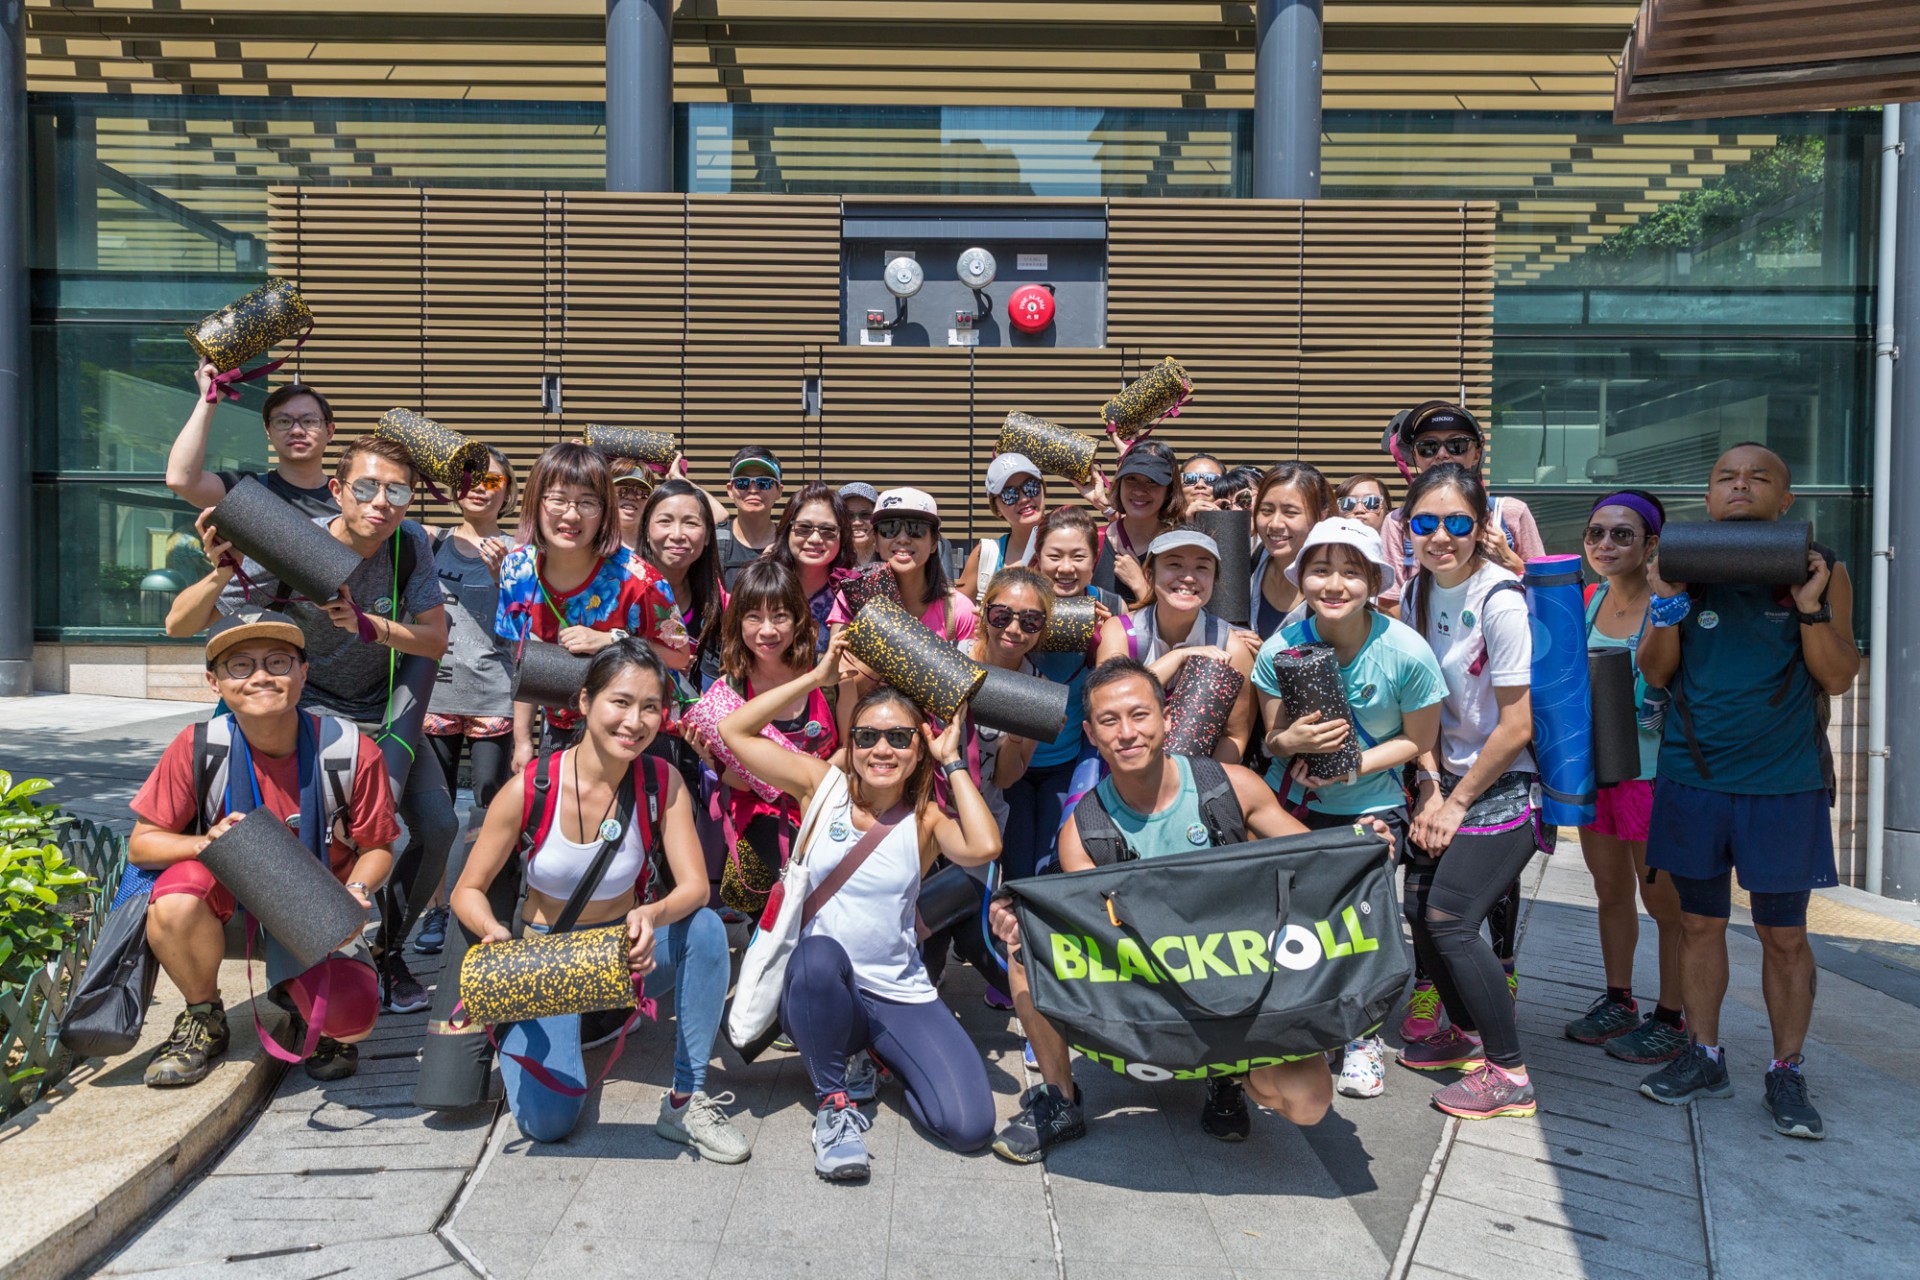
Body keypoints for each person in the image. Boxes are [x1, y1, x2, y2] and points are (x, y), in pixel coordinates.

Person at [990, 658, 1354, 1161]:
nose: (1127, 732)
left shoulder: (1230, 787)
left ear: (1165, 718)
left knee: (1308, 1101)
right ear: (1091, 734)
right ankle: (1061, 1100)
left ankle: (1229, 1074)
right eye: (1109, 721)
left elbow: (1316, 862)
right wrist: (1020, 919)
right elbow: (1088, 928)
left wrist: (1364, 845)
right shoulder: (1085, 831)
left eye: (1139, 715)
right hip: (1151, 987)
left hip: (1240, 981)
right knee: (1026, 948)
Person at [166, 435, 453, 1016]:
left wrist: (369, 625)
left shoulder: (409, 546)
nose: (381, 503)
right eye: (367, 488)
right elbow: (179, 624)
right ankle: (308, 960)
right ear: (338, 490)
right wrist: (222, 572)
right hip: (310, 711)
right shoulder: (296, 544)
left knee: (439, 826)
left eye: (397, 492)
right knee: (327, 832)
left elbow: (435, 638)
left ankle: (387, 950)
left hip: (385, 709)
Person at [1635, 443, 1860, 1140]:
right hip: (1693, 779)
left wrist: (1810, 608)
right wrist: (1666, 604)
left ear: (1785, 501)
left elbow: (1838, 676)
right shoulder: (1684, 566)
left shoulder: (1819, 568)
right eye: (1726, 477)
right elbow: (1656, 673)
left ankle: (1786, 1069)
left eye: (1758, 477)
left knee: (1784, 935)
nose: (1741, 485)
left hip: (1783, 784)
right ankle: (1704, 1056)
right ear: (1708, 498)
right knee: (1698, 924)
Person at [718, 634, 1002, 1181]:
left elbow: (985, 847)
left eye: (900, 737)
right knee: (819, 956)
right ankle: (834, 1104)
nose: (882, 749)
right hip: (820, 986)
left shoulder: (925, 819)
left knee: (969, 1127)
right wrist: (816, 678)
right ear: (851, 744)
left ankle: (875, 1055)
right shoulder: (820, 786)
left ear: (918, 748)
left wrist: (952, 762)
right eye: (867, 736)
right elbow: (734, 731)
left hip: (898, 992)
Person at [452, 640, 748, 1158]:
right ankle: (553, 1032)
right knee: (548, 1125)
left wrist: (651, 913)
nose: (635, 722)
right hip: (551, 962)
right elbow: (467, 890)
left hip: (623, 957)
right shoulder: (532, 788)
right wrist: (493, 932)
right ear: (585, 702)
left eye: (650, 707)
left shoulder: (661, 782)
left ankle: (685, 1100)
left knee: (703, 929)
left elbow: (695, 888)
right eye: (621, 702)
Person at [130, 611, 396, 1087]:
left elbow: (377, 846)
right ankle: (204, 1015)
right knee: (176, 895)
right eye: (240, 665)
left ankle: (302, 994)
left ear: (303, 673)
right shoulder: (198, 747)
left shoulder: (349, 750)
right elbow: (142, 845)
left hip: (317, 916)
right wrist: (205, 841)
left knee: (352, 1020)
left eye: (278, 662)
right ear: (214, 682)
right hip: (230, 916)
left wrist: (357, 889)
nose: (261, 677)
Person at [1252, 519, 1444, 1100]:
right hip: (1294, 805)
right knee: (1296, 918)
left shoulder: (1407, 651)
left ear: (1373, 581)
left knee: (1362, 923)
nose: (1334, 585)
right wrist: (1288, 742)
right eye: (1320, 570)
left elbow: (1419, 738)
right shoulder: (1280, 648)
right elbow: (1272, 739)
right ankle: (1306, 1027)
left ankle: (1362, 1037)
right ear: (1301, 578)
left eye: (1351, 572)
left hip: (1373, 804)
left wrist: (1351, 766)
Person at [1395, 463, 1541, 1121]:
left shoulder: (1500, 600)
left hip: (1508, 783)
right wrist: (1430, 787)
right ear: (1407, 529)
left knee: (1451, 918)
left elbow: (1517, 726)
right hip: (1446, 779)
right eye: (1426, 522)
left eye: (1458, 522)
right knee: (1419, 904)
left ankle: (1509, 1073)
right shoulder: (1415, 594)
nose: (1441, 536)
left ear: (1482, 526)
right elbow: (1419, 706)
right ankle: (1465, 1034)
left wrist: (1455, 803)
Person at [1562, 490, 1689, 1065]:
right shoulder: (1587, 600)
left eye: (1622, 534)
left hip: (1654, 775)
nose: (1605, 544)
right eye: (1596, 534)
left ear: (1651, 544)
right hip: (1598, 772)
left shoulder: (1672, 603)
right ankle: (1619, 1000)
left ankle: (1672, 1016)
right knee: (1610, 890)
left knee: (1664, 903)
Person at [495, 443, 681, 771]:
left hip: (637, 734)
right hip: (562, 730)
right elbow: (524, 659)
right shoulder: (516, 569)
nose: (571, 515)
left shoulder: (640, 579)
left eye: (587, 502)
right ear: (536, 501)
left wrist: (613, 641)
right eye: (558, 499)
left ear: (604, 510)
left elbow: (679, 655)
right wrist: (522, 740)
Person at [688, 558, 839, 918]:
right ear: (737, 621)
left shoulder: (827, 676)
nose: (767, 630)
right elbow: (742, 781)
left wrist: (816, 784)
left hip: (828, 803)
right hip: (762, 813)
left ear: (798, 619)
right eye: (753, 617)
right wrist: (710, 760)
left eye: (780, 616)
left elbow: (850, 750)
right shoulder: (729, 692)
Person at [416, 447, 518, 956]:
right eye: (470, 477)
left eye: (493, 480)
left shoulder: (521, 550)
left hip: (494, 694)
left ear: (509, 492)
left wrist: (505, 578)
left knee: (490, 807)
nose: (480, 487)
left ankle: (481, 902)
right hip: (435, 692)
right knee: (435, 813)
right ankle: (435, 908)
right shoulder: (428, 541)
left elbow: (527, 625)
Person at [1010, 508, 1125, 880]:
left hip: (1070, 763)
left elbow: (1114, 687)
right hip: (1011, 764)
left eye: (1078, 556)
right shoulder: (1013, 601)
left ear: (1094, 560)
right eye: (1054, 556)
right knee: (1016, 868)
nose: (1065, 568)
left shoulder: (1110, 606)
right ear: (1038, 556)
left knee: (1054, 867)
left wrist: (1105, 634)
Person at [1095, 528, 1260, 765]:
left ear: (1214, 579)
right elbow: (1109, 701)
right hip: (1120, 764)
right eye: (1174, 564)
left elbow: (1234, 736)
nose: (1188, 577)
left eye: (1202, 567)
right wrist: (1178, 657)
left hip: (1197, 775)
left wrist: (1195, 783)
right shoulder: (1120, 631)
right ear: (1149, 574)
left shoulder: (1232, 648)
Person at [1377, 401, 1543, 615]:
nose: (1442, 454)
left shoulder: (1510, 512)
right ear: (1415, 456)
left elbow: (1546, 594)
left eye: (1457, 445)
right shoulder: (1397, 522)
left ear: (1477, 454)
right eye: (1427, 447)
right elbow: (1390, 602)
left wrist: (1512, 562)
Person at [165, 370, 339, 518]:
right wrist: (207, 399)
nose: (296, 430)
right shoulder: (248, 491)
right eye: (284, 421)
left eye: (308, 421)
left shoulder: (347, 498)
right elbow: (181, 480)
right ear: (268, 430)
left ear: (329, 431)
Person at [1095, 441, 1184, 610]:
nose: (1139, 490)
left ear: (1169, 490)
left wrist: (1139, 584)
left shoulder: (1182, 548)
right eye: (1131, 479)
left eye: (1152, 481)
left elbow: (1181, 620)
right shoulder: (1094, 542)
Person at [767, 481, 854, 654]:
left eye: (828, 530)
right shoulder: (762, 584)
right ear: (787, 530)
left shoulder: (854, 592)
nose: (815, 539)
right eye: (804, 528)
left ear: (842, 536)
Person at [1250, 462, 1334, 637]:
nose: (1275, 524)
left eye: (1290, 512)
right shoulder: (1247, 562)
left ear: (1321, 515)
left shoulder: (1337, 582)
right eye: (1266, 510)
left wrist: (1269, 652)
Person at [957, 453, 1048, 604]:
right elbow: (957, 611)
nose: (1024, 499)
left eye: (1031, 487)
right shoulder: (985, 554)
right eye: (1009, 494)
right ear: (996, 508)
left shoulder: (1073, 542)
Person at [713, 446, 783, 588]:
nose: (753, 490)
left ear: (779, 491)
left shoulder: (789, 544)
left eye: (764, 482)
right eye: (742, 482)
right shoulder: (712, 542)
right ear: (730, 490)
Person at [609, 458, 653, 553]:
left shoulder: (657, 547)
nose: (630, 496)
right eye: (621, 490)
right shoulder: (591, 545)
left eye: (640, 491)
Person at [839, 481, 881, 567]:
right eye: (849, 516)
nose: (857, 522)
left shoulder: (888, 555)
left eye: (865, 515)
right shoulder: (831, 559)